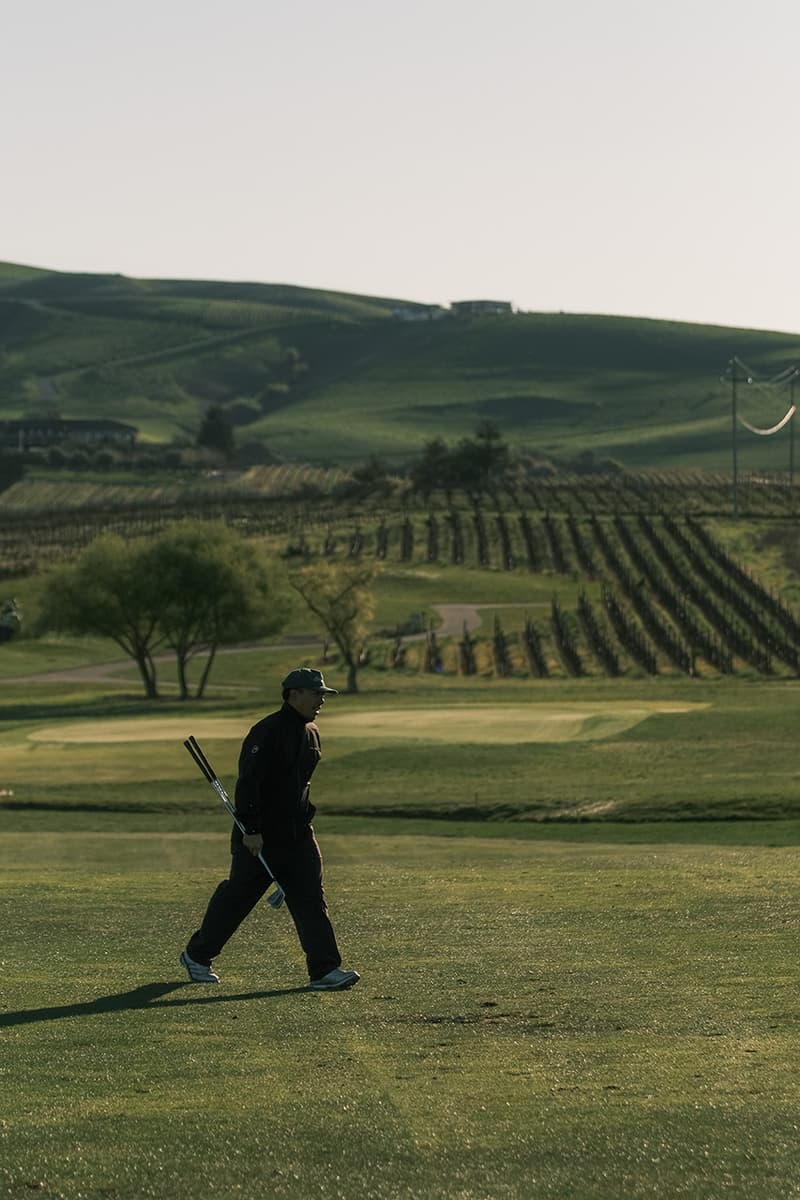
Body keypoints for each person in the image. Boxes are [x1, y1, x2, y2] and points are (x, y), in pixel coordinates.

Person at [181, 667, 360, 991]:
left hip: (298, 833)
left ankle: (324, 970)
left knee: (310, 898)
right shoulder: (267, 731)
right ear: (294, 694)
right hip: (260, 836)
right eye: (316, 693)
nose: (321, 699)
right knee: (239, 897)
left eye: (323, 694)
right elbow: (250, 784)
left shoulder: (311, 732)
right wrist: (251, 829)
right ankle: (197, 954)